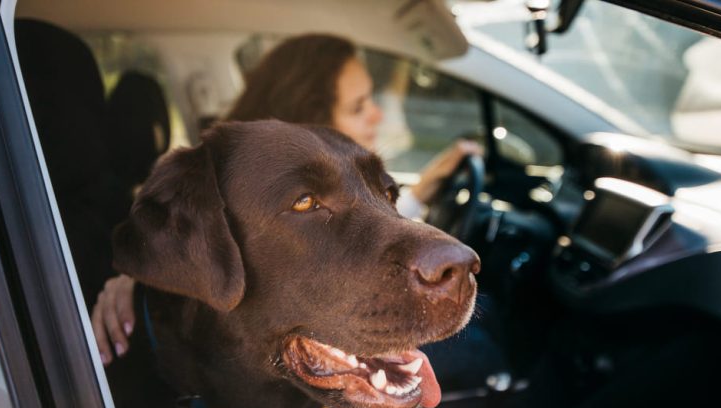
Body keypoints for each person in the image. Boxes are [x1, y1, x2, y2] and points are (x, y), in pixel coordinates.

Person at [93, 33, 482, 365]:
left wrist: (420, 191)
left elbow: (360, 223)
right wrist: (147, 288)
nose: (378, 114)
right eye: (358, 104)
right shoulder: (237, 190)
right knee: (486, 348)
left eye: (387, 192)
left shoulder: (323, 176)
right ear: (308, 113)